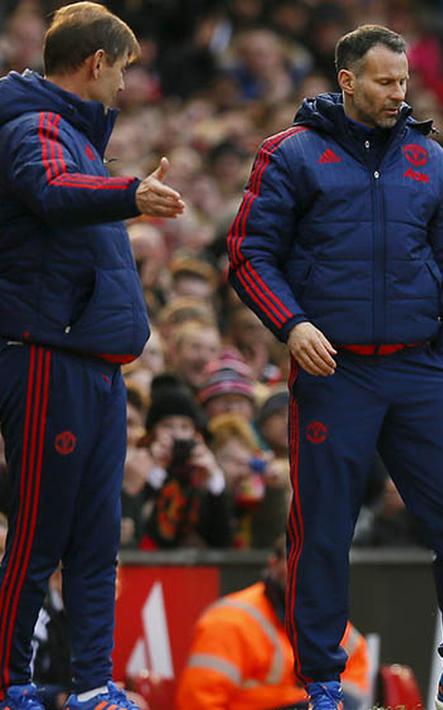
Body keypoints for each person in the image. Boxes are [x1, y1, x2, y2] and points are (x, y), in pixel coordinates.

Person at [225, 24, 443, 710]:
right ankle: (323, 683)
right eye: (385, 81)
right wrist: (291, 323)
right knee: (324, 529)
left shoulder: (430, 159)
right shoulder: (290, 155)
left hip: (420, 371)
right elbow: (247, 252)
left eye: (404, 81)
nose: (399, 93)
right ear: (347, 81)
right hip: (336, 372)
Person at [0, 3, 185, 709]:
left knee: (94, 545)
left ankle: (90, 687)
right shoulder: (34, 127)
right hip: (49, 352)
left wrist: (119, 186)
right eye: (123, 69)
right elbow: (48, 190)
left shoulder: (77, 139)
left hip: (94, 360)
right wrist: (128, 193)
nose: (125, 86)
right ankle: (9, 683)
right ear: (96, 62)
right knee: (39, 537)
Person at [176, 540, 371, 710]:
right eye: (297, 561)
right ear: (273, 563)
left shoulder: (337, 629)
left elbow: (352, 695)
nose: (307, 573)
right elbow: (197, 702)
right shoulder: (229, 621)